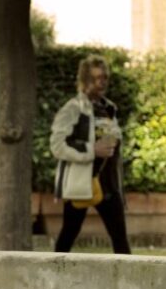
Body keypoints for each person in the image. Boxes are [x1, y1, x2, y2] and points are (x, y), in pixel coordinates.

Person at [50, 55, 131, 254]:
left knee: (120, 238)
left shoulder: (109, 108)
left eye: (105, 77)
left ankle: (128, 282)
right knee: (69, 233)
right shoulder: (73, 108)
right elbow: (57, 145)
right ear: (85, 80)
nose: (102, 82)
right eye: (96, 78)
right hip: (83, 182)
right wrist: (91, 150)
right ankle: (53, 276)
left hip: (109, 184)